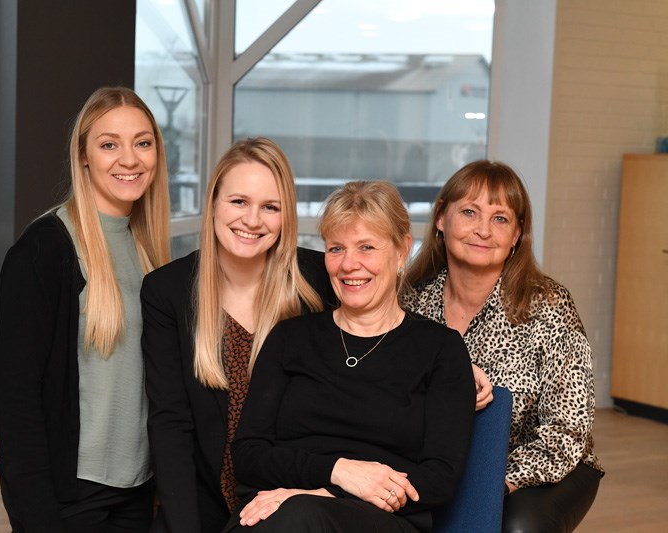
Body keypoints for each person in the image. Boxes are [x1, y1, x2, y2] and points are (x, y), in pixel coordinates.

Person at [223, 181, 476, 533]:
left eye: (367, 247)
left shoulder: (440, 350)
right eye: (336, 248)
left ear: (402, 251)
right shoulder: (290, 338)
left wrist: (326, 493)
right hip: (275, 509)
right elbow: (249, 456)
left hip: (382, 520)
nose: (349, 265)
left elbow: (438, 478)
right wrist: (336, 471)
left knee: (300, 518)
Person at [0, 86, 170, 532]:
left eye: (142, 143)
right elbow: (16, 402)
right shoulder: (44, 249)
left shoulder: (150, 250)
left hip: (138, 491)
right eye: (109, 144)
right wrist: (36, 515)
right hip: (69, 498)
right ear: (84, 155)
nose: (129, 159)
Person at [141, 137, 335, 533]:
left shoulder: (319, 280)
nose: (252, 220)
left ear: (286, 217)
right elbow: (170, 423)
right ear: (213, 203)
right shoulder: (168, 291)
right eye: (239, 202)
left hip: (297, 501)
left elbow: (388, 324)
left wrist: (453, 365)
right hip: (203, 501)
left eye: (270, 207)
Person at [403, 160, 604, 532]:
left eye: (500, 219)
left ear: (516, 235)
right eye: (469, 212)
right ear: (441, 219)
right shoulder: (411, 304)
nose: (483, 230)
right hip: (439, 464)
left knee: (515, 527)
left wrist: (485, 485)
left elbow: (568, 431)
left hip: (542, 468)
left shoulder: (550, 306)